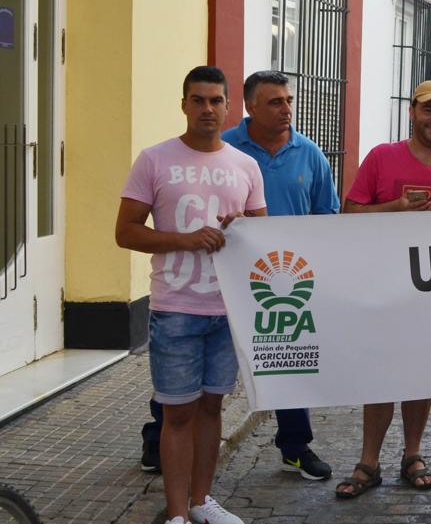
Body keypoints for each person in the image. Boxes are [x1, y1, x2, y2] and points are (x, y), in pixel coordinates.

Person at [139, 72, 339, 483]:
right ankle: (157, 439)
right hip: (219, 285)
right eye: (274, 102)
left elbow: (327, 217)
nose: (286, 109)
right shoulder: (223, 147)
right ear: (248, 107)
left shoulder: (311, 154)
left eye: (288, 100)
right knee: (183, 381)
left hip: (284, 281)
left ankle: (295, 447)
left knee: (287, 362)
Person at [116, 66, 266, 524]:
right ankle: (177, 513)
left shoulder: (245, 165)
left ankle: (203, 501)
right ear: (184, 104)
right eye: (197, 100)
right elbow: (125, 233)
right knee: (176, 412)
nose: (207, 109)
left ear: (228, 107)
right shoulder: (154, 160)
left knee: (211, 408)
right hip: (175, 306)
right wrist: (185, 239)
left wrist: (241, 225)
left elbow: (264, 236)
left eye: (215, 100)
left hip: (228, 309)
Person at [333, 80, 431, 499]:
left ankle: (413, 454)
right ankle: (368, 462)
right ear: (411, 112)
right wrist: (395, 210)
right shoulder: (382, 158)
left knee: (421, 373)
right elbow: (349, 213)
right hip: (383, 287)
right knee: (379, 375)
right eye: (428, 110)